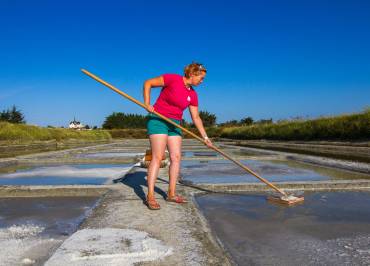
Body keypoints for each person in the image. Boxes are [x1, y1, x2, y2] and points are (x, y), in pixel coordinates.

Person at [143, 62, 213, 210]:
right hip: (158, 119)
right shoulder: (173, 79)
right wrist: (147, 103)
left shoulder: (192, 94)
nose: (202, 81)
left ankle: (171, 193)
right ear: (192, 74)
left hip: (175, 124)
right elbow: (148, 83)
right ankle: (150, 195)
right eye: (201, 78)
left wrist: (206, 138)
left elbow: (196, 117)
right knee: (158, 156)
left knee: (176, 157)